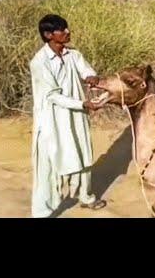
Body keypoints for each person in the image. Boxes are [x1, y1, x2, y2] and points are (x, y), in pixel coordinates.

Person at [29, 14, 107, 217]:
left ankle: (86, 197)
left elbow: (85, 69)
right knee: (48, 167)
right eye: (62, 30)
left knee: (84, 155)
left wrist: (91, 76)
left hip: (76, 116)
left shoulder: (73, 54)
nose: (67, 32)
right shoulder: (40, 62)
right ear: (48, 35)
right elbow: (53, 96)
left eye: (67, 28)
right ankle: (42, 212)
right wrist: (83, 103)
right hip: (52, 122)